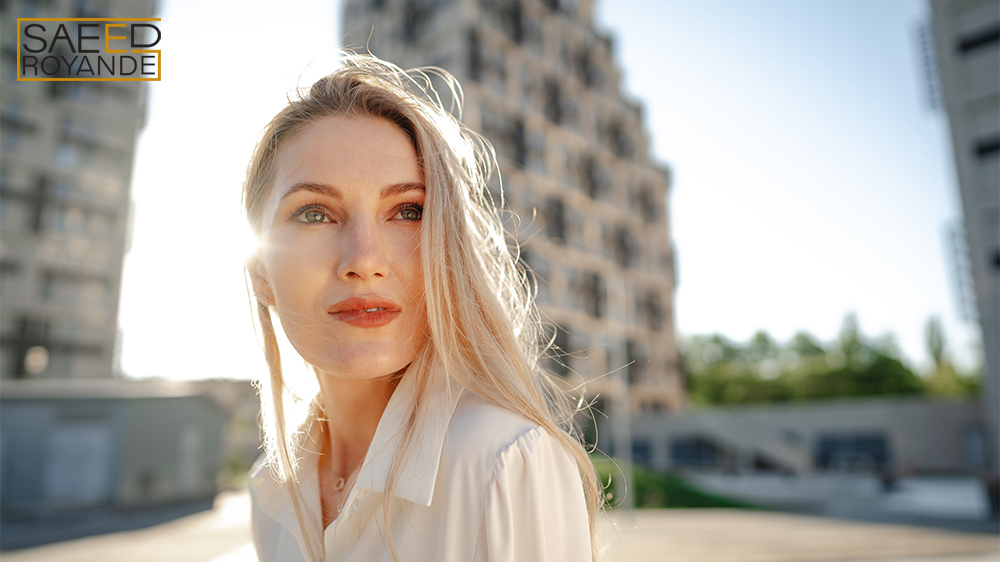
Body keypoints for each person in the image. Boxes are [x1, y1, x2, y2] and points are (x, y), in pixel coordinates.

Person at [243, 53, 601, 562]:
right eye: (315, 213)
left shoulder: (506, 462)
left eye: (408, 211)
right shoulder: (272, 485)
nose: (364, 260)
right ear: (261, 272)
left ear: (447, 250)